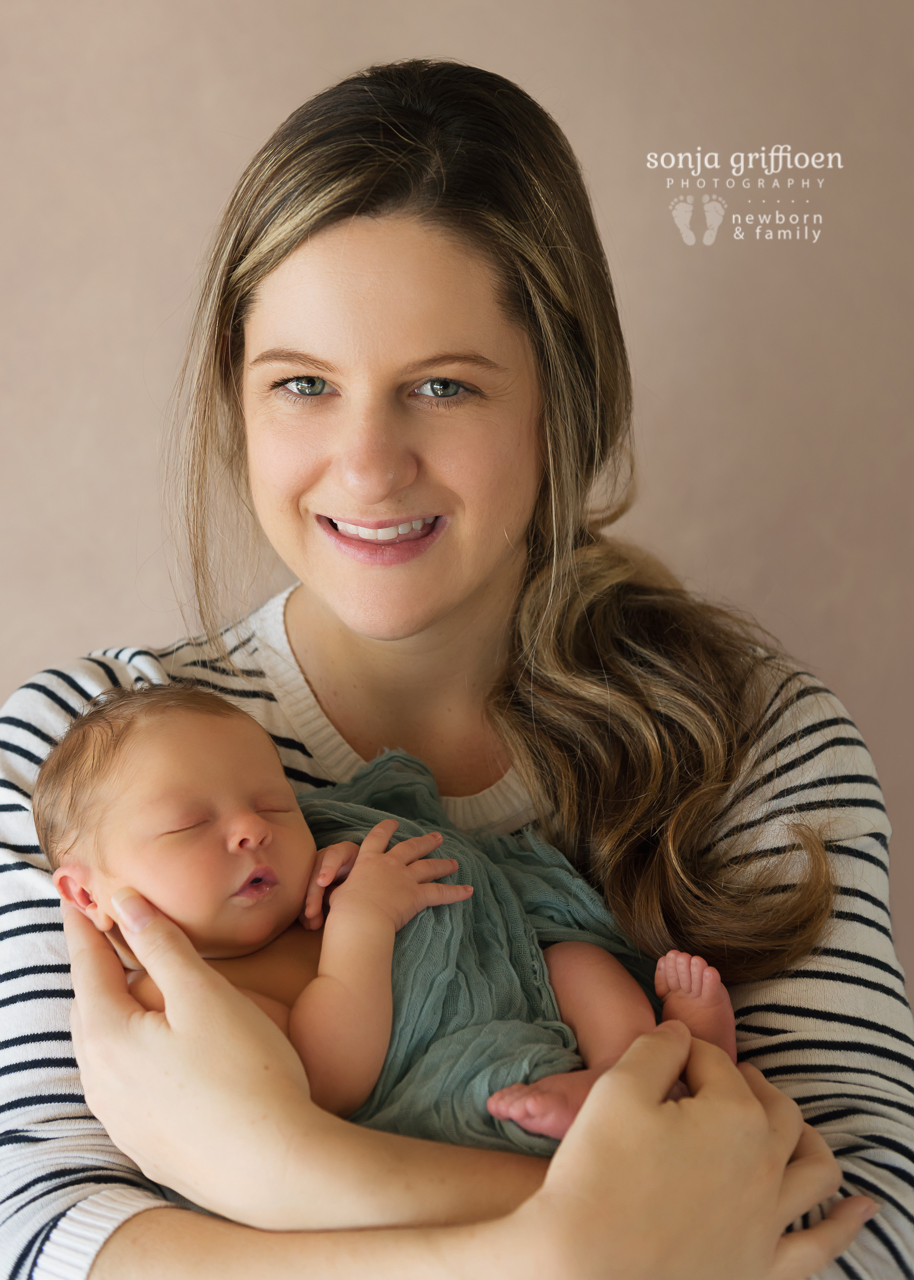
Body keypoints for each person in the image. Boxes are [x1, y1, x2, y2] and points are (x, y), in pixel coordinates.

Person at [0, 56, 908, 1280]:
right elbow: (40, 1236)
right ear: (239, 399)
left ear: (560, 399)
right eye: (304, 386)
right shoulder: (78, 749)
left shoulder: (754, 744)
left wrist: (276, 1170)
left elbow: (859, 1234)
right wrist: (567, 1248)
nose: (366, 466)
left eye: (440, 386)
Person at [37, 683, 737, 1147]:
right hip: (433, 1095)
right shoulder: (169, 1000)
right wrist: (362, 923)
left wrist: (351, 859)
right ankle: (656, 1090)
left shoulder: (303, 882)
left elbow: (421, 862)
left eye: (276, 802)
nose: (254, 828)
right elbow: (326, 1076)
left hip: (517, 994)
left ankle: (642, 1063)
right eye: (189, 824)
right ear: (89, 896)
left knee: (574, 961)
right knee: (492, 1100)